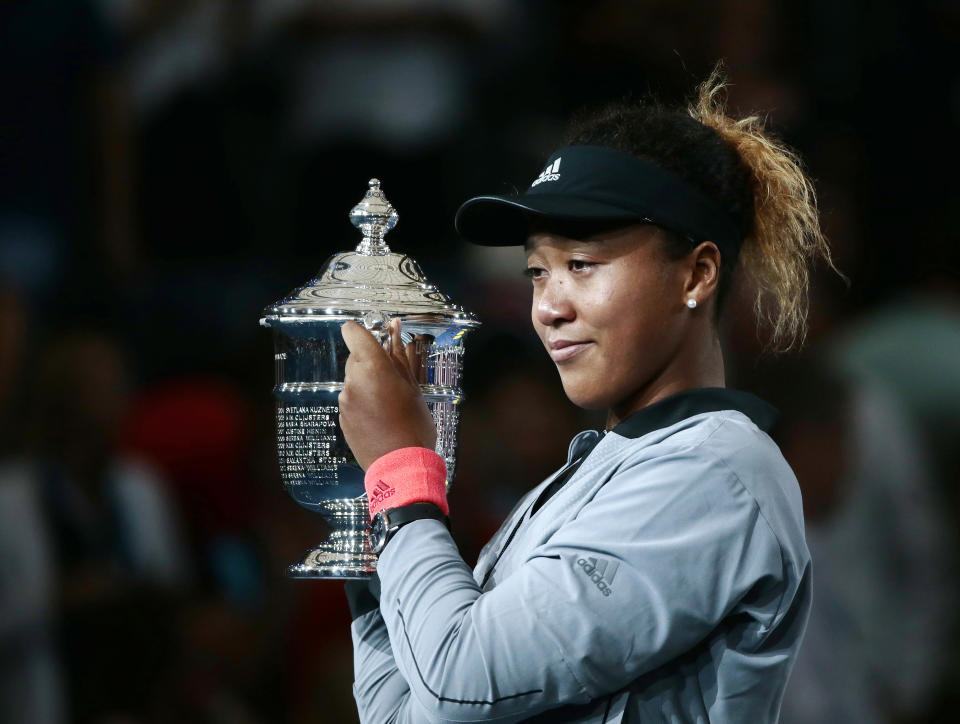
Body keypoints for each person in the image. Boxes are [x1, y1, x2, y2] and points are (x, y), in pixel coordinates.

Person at [337, 68, 841, 723]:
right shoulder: (588, 478)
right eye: (537, 272)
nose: (547, 307)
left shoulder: (716, 471)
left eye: (582, 265)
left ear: (698, 271)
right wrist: (369, 524)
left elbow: (460, 682)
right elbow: (401, 714)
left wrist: (400, 469)